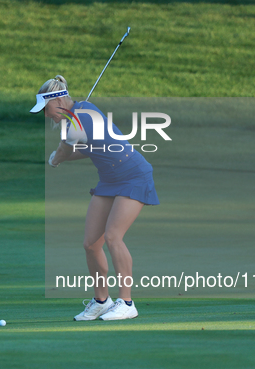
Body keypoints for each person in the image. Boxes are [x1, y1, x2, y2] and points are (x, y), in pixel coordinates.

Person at [31, 75, 159, 321]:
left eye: (46, 110)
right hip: (110, 180)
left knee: (113, 236)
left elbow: (66, 149)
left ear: (57, 101)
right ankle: (102, 301)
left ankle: (127, 303)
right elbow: (87, 149)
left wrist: (57, 158)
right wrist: (61, 156)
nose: (47, 116)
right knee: (91, 243)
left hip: (133, 175)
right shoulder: (77, 118)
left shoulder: (82, 115)